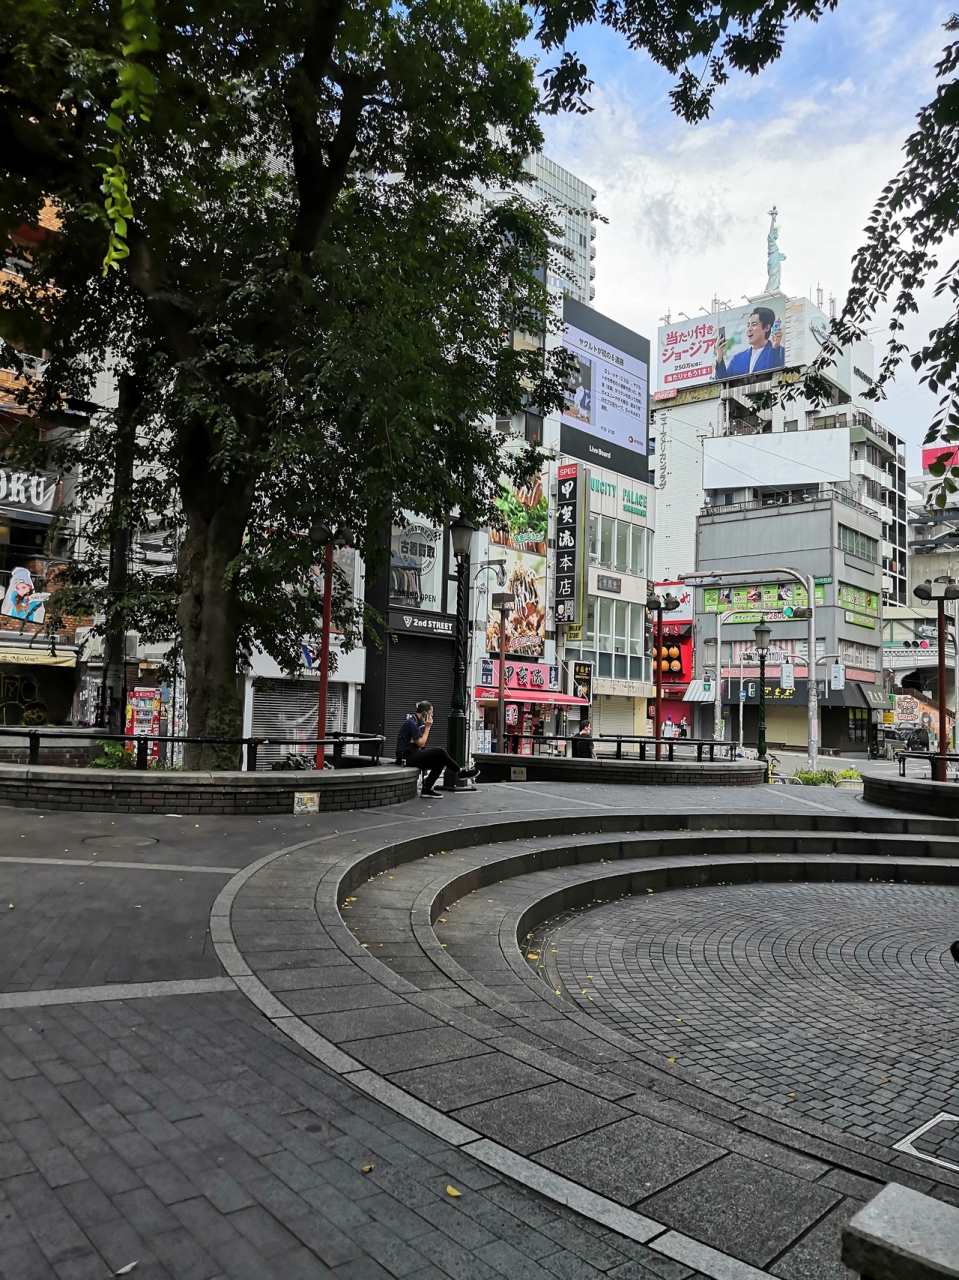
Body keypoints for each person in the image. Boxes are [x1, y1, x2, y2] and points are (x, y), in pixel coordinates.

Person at [396, 701, 479, 797]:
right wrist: (427, 727)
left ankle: (427, 788)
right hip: (406, 756)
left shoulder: (418, 723)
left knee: (441, 760)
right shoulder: (411, 723)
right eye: (431, 712)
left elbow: (420, 743)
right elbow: (421, 743)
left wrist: (425, 728)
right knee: (440, 752)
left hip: (413, 753)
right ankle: (460, 771)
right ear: (424, 713)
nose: (432, 715)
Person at [714, 307, 785, 378]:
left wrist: (774, 348)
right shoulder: (737, 359)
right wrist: (719, 357)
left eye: (754, 325)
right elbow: (723, 381)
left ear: (767, 328)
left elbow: (776, 376)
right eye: (748, 325)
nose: (749, 329)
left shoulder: (780, 352)